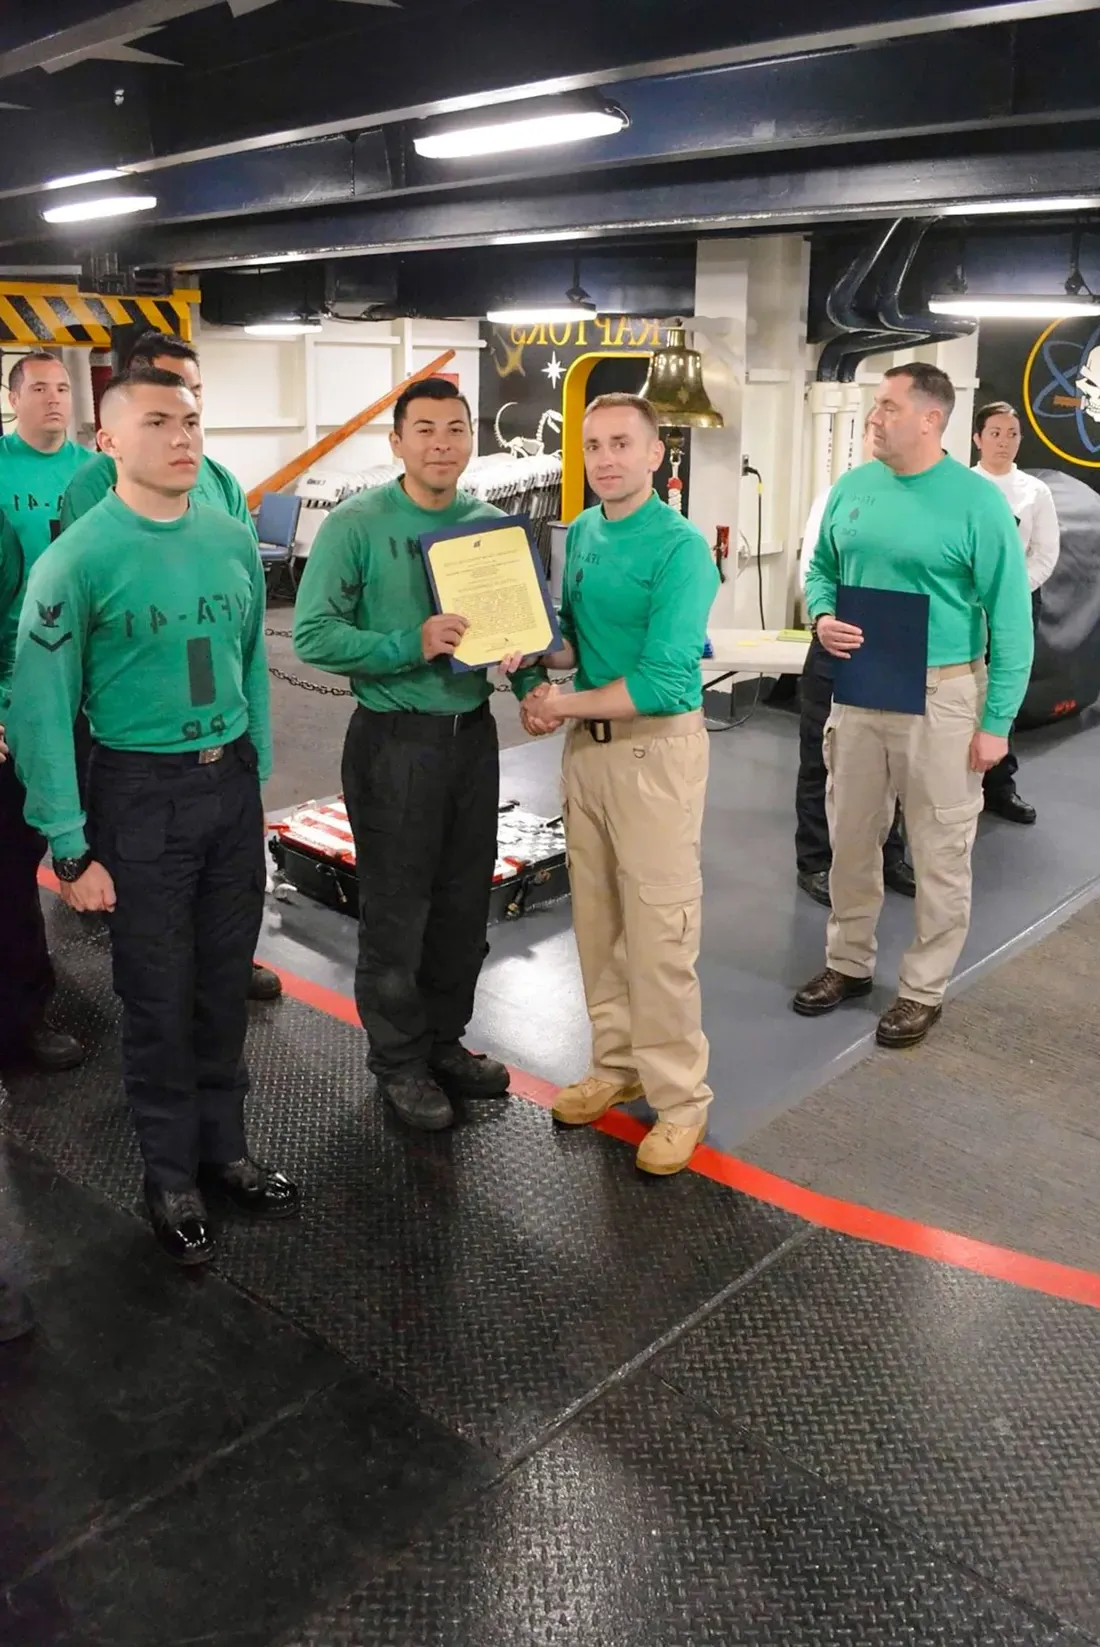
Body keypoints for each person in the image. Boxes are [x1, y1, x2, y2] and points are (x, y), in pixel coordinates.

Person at [7, 367, 298, 1264]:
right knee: (158, 1000)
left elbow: (249, 661)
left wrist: (255, 775)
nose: (183, 436)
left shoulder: (226, 537)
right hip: (137, 799)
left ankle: (228, 1152)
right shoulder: (76, 560)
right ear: (111, 441)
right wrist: (67, 843)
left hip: (226, 790)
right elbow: (43, 707)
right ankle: (170, 1176)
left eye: (193, 420)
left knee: (220, 989)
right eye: (160, 421)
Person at [293, 377, 546, 1132]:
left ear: (473, 438)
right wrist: (411, 642)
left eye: (457, 428)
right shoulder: (357, 523)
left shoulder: (491, 527)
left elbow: (517, 635)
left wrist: (531, 681)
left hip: (473, 742)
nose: (443, 443)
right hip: (395, 742)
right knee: (398, 913)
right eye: (426, 429)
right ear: (396, 441)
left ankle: (444, 1039)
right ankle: (399, 1061)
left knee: (464, 907)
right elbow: (312, 634)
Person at [792, 363, 1033, 1049]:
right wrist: (822, 613)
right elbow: (820, 569)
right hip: (861, 688)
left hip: (944, 695)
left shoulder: (976, 502)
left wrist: (997, 725)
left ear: (931, 418)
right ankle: (848, 961)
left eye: (889, 405)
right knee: (851, 838)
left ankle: (923, 988)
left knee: (939, 851)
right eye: (875, 404)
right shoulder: (852, 488)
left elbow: (1012, 623)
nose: (875, 415)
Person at [513, 392, 718, 1178]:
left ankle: (680, 1098)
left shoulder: (680, 548)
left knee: (660, 932)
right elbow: (576, 646)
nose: (604, 459)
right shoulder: (589, 530)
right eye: (593, 445)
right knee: (598, 921)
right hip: (587, 754)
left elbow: (666, 681)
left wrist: (555, 702)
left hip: (653, 757)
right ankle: (616, 1061)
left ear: (655, 454)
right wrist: (526, 657)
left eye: (621, 444)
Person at [60, 331, 282, 1004]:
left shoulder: (219, 485)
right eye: (164, 403)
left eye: (195, 401)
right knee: (154, 914)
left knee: (223, 887)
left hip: (217, 715)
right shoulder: (93, 489)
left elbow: (246, 623)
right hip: (135, 723)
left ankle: (223, 957)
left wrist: (256, 755)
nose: (185, 419)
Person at [0, 352, 86, 1072]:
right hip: (13, 692)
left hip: (84, 695)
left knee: (101, 842)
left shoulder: (93, 476)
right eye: (40, 389)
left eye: (64, 388)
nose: (55, 400)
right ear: (13, 398)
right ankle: (19, 1018)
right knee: (9, 859)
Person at [795, 414, 914, 908]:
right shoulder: (841, 494)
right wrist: (822, 617)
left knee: (895, 762)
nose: (879, 433)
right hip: (838, 641)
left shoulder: (929, 500)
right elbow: (813, 567)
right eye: (871, 427)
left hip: (901, 647)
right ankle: (816, 862)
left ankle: (889, 855)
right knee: (821, 760)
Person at [972, 400, 1060, 825]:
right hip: (967, 606)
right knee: (965, 692)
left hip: (1017, 602)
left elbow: (1045, 554)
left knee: (1004, 691)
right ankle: (959, 781)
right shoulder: (963, 488)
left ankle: (1000, 786)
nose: (1004, 442)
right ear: (977, 439)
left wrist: (1006, 594)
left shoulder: (1034, 492)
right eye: (995, 433)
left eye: (1012, 434)